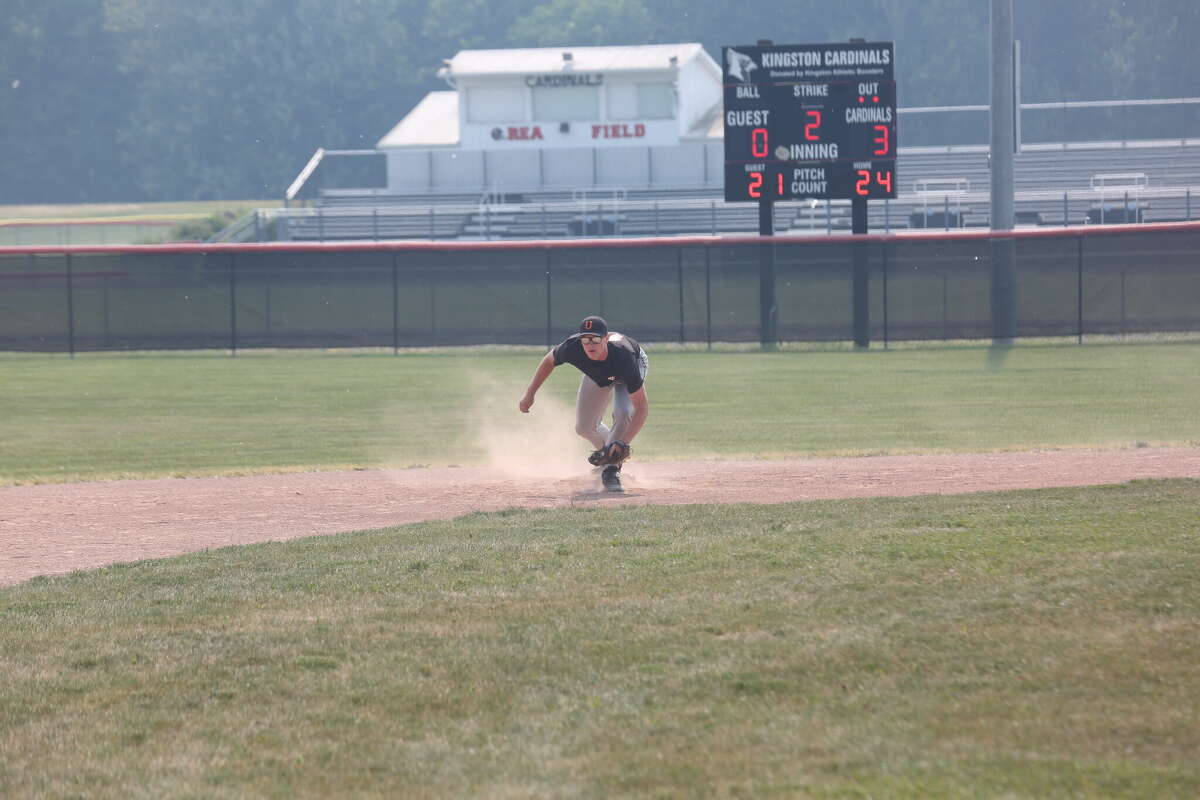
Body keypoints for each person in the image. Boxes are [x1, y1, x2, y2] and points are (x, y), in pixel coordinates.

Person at [519, 315, 649, 492]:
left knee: (623, 412)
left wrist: (624, 442)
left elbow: (641, 408)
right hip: (599, 373)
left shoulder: (624, 356)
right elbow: (549, 361)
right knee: (584, 428)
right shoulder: (573, 347)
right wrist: (530, 393)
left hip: (631, 365)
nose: (590, 344)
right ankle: (610, 454)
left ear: (605, 338)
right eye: (585, 339)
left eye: (595, 339)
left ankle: (611, 470)